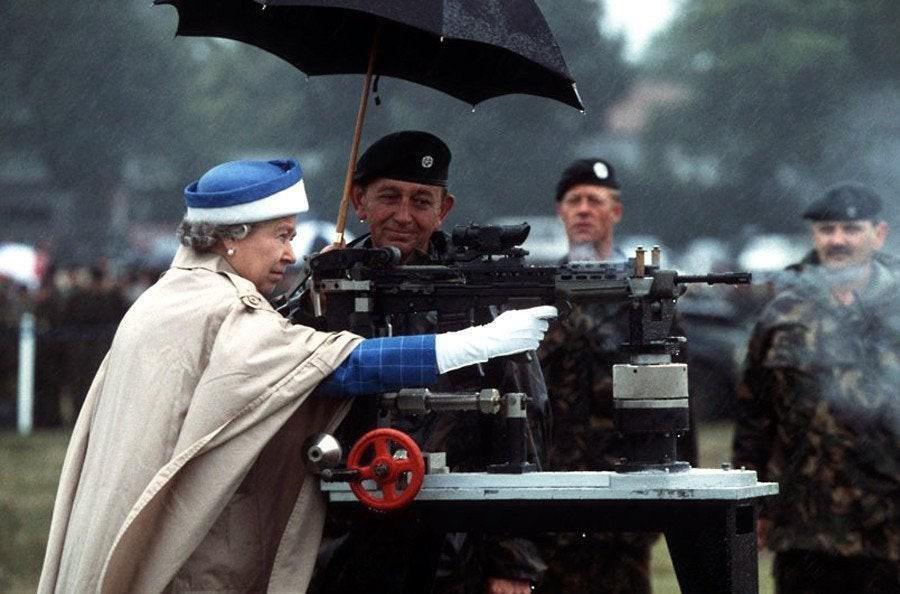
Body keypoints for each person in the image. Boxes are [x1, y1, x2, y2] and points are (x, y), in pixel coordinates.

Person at [37, 158, 555, 593]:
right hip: (195, 550)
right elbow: (337, 366)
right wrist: (478, 343)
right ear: (231, 239)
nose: (291, 252)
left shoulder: (176, 296)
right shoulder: (222, 309)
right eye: (280, 235)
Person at [312, 131, 547, 594]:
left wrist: (514, 564)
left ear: (444, 210)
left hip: (450, 547)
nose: (403, 216)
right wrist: (321, 298)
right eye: (388, 197)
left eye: (421, 201)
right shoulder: (325, 290)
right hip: (338, 544)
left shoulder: (474, 298)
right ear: (358, 201)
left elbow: (525, 424)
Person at [732, 182, 900, 593]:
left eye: (850, 229)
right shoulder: (783, 313)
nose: (837, 240)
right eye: (827, 230)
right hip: (802, 531)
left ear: (878, 234)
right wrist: (748, 510)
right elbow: (755, 416)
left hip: (889, 530)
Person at [537, 159, 687, 594]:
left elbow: (677, 405)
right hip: (550, 498)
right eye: (574, 201)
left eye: (594, 200)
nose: (584, 209)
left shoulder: (647, 301)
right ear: (560, 211)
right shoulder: (539, 298)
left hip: (627, 499)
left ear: (615, 212)